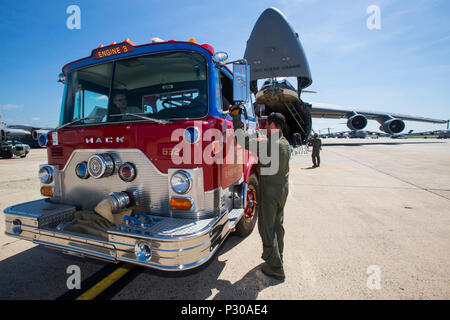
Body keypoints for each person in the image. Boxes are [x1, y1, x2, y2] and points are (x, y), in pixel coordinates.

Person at [230, 106, 290, 280]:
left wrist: (236, 117)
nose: (266, 127)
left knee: (267, 228)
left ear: (272, 125)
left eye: (267, 124)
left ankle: (275, 267)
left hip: (270, 192)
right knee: (278, 225)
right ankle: (278, 256)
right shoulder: (285, 143)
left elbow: (242, 139)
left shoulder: (269, 144)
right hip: (282, 190)